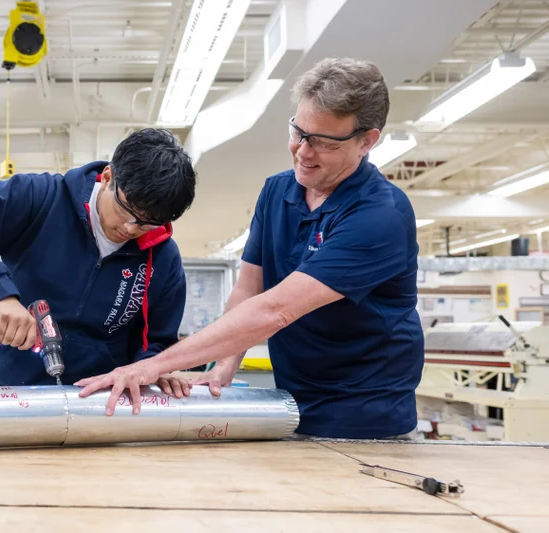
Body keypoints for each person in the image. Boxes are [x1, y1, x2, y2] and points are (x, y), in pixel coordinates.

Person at [76, 58, 424, 440]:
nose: (303, 152)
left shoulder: (380, 216)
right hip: (288, 402)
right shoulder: (277, 192)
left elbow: (275, 310)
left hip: (367, 416)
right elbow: (249, 289)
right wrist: (225, 365)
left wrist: (151, 366)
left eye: (323, 142)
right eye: (299, 132)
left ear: (367, 141)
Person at [0, 128, 197, 396]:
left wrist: (156, 367)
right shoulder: (42, 198)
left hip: (99, 396)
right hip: (7, 386)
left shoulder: (162, 257)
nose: (130, 228)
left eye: (147, 223)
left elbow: (158, 339)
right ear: (107, 177)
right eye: (126, 210)